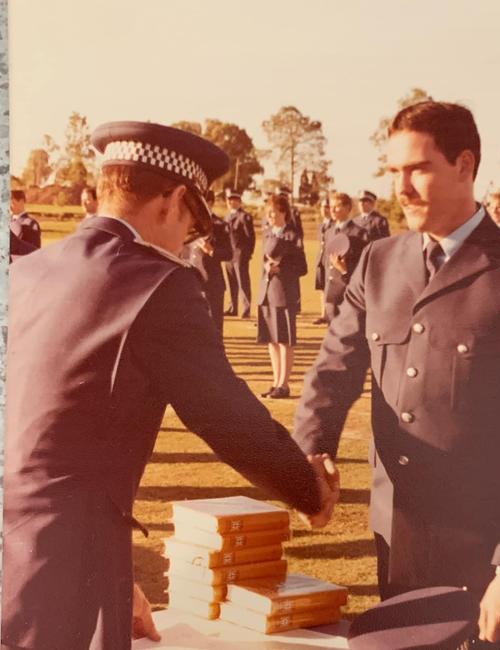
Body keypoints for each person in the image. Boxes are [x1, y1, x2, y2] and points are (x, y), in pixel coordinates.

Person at [2, 121, 337, 650]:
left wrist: (112, 568)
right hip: (69, 553)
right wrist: (306, 487)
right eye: (190, 223)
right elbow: (223, 414)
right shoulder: (157, 282)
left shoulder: (28, 270)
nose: (186, 240)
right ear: (174, 199)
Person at [294, 100, 500, 648]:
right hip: (395, 531)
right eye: (393, 171)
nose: (401, 188)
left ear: (465, 165)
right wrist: (312, 446)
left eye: (417, 169)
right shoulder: (379, 261)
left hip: (484, 545)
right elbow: (334, 366)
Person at [257, 194, 308, 399]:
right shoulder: (268, 233)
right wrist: (266, 266)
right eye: (268, 212)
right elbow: (263, 258)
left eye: (274, 212)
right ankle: (275, 381)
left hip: (284, 293)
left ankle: (284, 385)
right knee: (272, 339)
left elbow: (302, 268)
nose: (269, 215)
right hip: (267, 292)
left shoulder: (293, 235)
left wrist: (281, 268)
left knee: (284, 339)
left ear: (283, 213)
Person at [179, 190, 233, 338]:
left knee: (214, 328)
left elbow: (229, 254)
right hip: (189, 283)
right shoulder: (186, 224)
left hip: (212, 283)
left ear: (210, 203)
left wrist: (211, 251)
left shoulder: (220, 225)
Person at [322, 191, 369, 322]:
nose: (332, 209)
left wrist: (345, 270)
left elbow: (363, 265)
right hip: (331, 293)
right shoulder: (329, 232)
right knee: (332, 334)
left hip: (348, 291)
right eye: (330, 206)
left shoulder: (359, 233)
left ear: (348, 208)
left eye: (337, 206)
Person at [224, 189, 255, 318]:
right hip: (228, 254)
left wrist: (248, 253)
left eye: (235, 200)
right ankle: (233, 307)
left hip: (240, 253)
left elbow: (250, 237)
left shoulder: (244, 217)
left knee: (243, 281)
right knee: (231, 282)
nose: (232, 202)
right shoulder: (226, 216)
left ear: (240, 202)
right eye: (230, 200)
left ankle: (246, 308)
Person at [313, 197, 333, 325]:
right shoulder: (322, 225)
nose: (324, 210)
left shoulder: (335, 224)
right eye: (322, 207)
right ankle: (323, 314)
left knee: (330, 289)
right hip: (321, 260)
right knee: (322, 288)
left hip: (330, 261)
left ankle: (330, 315)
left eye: (327, 207)